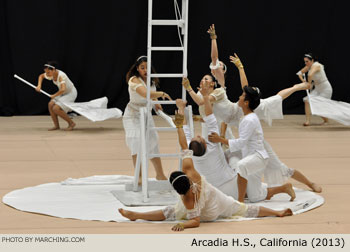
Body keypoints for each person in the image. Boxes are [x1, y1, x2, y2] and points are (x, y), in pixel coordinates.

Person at [118, 99, 293, 231]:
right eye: (199, 137)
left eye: (197, 137)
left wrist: (180, 117)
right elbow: (207, 121)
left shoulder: (189, 175)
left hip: (215, 197)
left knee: (172, 212)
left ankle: (277, 207)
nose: (198, 135)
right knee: (246, 206)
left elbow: (184, 142)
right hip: (218, 195)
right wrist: (204, 99)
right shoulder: (205, 154)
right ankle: (136, 215)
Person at [181, 80, 295, 202]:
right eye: (198, 137)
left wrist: (221, 138)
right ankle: (279, 188)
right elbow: (208, 119)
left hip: (255, 156)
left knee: (246, 177)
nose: (238, 97)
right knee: (247, 184)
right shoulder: (243, 118)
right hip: (245, 150)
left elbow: (206, 119)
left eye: (241, 96)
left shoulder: (223, 96)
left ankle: (241, 200)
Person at [123, 56, 172, 181]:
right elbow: (145, 93)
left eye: (147, 67)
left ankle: (160, 174)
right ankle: (139, 176)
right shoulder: (134, 80)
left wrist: (156, 103)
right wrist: (161, 94)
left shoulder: (151, 81)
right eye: (142, 68)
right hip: (133, 115)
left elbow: (151, 95)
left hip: (146, 115)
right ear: (137, 69)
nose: (145, 70)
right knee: (136, 143)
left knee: (152, 143)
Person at [35, 61, 77, 131]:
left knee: (56, 108)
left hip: (70, 93)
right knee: (50, 104)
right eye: (46, 72)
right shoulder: (50, 74)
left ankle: (71, 123)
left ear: (54, 70)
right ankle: (56, 126)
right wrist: (39, 85)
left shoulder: (61, 76)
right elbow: (41, 76)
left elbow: (63, 89)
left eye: (48, 72)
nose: (47, 74)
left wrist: (54, 95)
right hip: (62, 93)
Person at [296, 53, 333, 126]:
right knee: (307, 101)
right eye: (305, 61)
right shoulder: (308, 66)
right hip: (317, 88)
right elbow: (299, 73)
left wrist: (308, 84)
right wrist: (304, 81)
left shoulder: (317, 65)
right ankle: (307, 121)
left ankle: (326, 121)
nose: (305, 63)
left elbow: (310, 75)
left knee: (319, 106)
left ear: (312, 60)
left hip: (325, 89)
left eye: (307, 61)